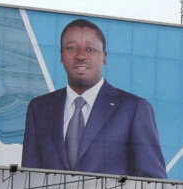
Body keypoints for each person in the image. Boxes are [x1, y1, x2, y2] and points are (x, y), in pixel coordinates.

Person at [21, 19, 167, 179]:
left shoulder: (133, 109)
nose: (81, 55)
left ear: (104, 57)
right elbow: (29, 180)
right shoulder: (39, 108)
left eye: (90, 49)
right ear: (61, 55)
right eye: (71, 48)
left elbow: (153, 183)